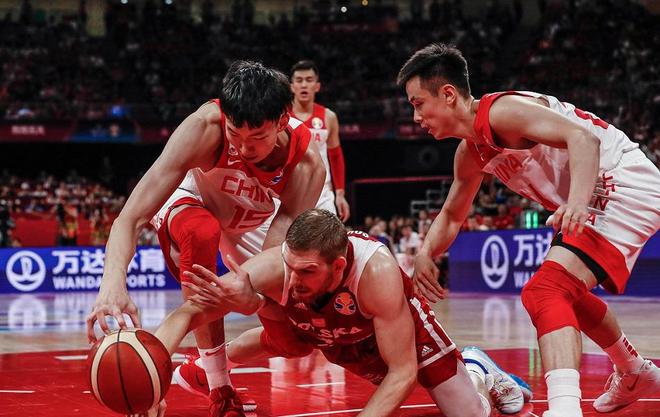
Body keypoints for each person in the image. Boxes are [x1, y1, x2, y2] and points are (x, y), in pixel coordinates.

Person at [398, 43, 660, 417]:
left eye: (419, 103)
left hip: (620, 182)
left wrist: (577, 202)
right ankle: (634, 370)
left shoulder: (502, 112)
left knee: (545, 291)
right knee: (565, 293)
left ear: (449, 94)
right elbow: (453, 214)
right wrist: (426, 253)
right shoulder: (471, 152)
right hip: (599, 192)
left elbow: (583, 140)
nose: (416, 116)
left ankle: (565, 408)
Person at [86, 61, 326, 416]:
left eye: (257, 137)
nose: (244, 148)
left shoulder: (306, 165)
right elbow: (130, 218)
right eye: (235, 134)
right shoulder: (203, 128)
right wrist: (112, 283)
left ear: (282, 120)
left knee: (295, 339)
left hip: (250, 221)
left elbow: (270, 263)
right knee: (202, 232)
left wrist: (253, 296)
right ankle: (218, 386)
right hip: (191, 200)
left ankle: (198, 368)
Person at [152, 209, 531, 417]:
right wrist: (152, 372)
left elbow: (402, 371)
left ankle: (476, 367)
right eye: (290, 267)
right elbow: (187, 313)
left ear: (337, 267)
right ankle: (203, 369)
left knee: (470, 414)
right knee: (286, 338)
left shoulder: (376, 273)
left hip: (403, 333)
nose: (293, 280)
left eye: (306, 272)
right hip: (338, 336)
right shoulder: (276, 268)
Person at [289, 60, 350, 222]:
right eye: (299, 80)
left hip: (322, 191)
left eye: (309, 80)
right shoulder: (282, 117)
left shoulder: (329, 117)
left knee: (330, 236)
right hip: (290, 190)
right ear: (292, 86)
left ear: (317, 86)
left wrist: (340, 193)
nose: (304, 85)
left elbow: (335, 156)